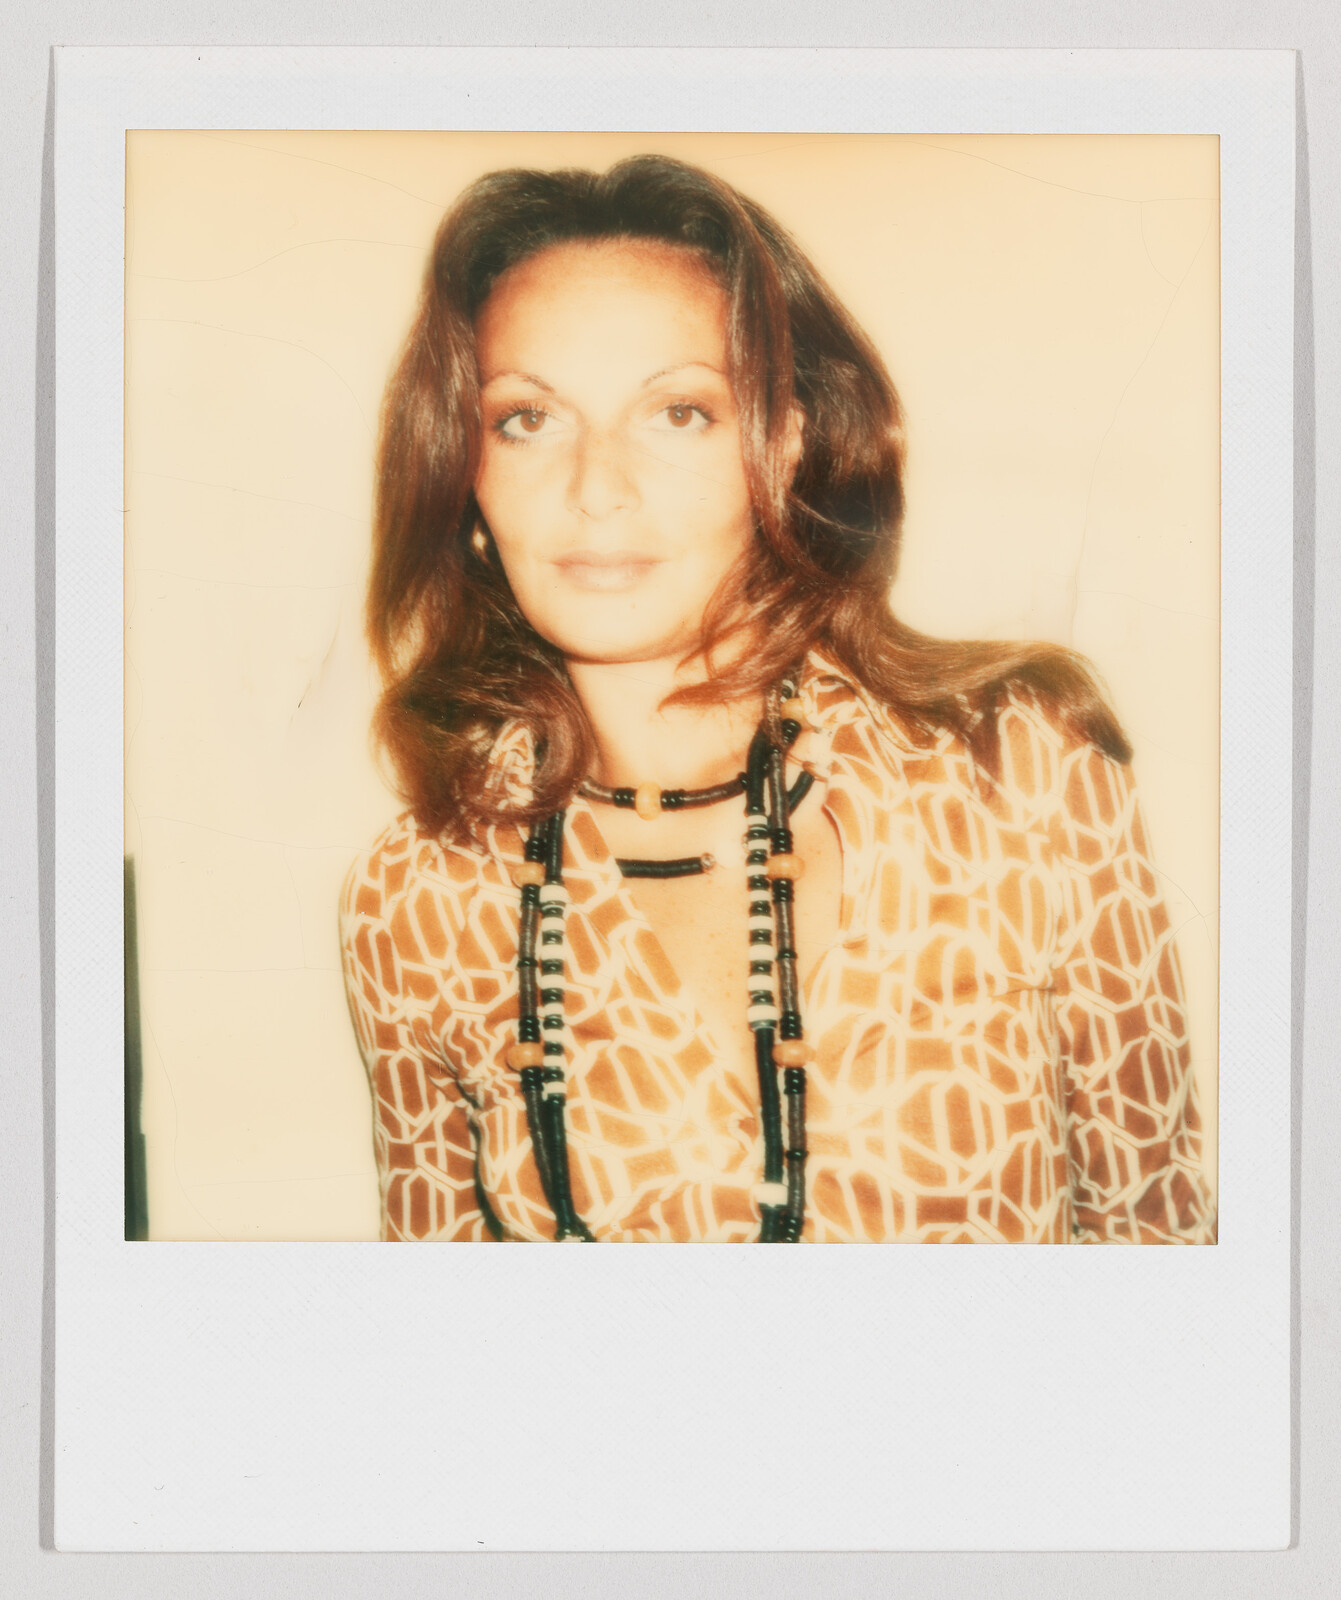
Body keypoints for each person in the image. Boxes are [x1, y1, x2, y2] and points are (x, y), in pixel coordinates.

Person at [339, 154, 1215, 1245]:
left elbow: (1161, 1251)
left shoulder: (1028, 773)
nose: (597, 487)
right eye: (527, 418)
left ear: (786, 441)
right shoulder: (416, 900)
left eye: (679, 413)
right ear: (463, 471)